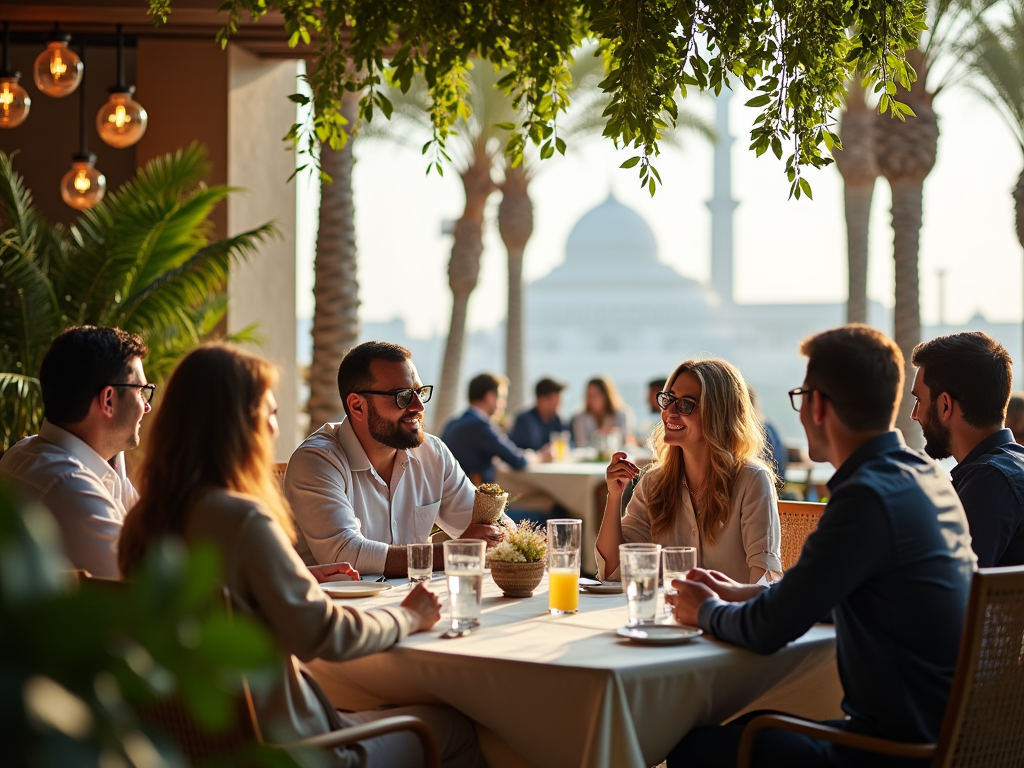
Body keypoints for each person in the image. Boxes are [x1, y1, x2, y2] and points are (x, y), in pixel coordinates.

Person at [117, 345, 483, 768]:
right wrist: (411, 616)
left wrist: (302, 576)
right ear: (239, 425)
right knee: (457, 727)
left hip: (203, 744)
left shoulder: (143, 525)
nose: (274, 430)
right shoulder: (243, 520)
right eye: (270, 414)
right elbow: (325, 635)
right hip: (297, 750)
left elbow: (228, 598)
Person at [667, 325, 976, 768]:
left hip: (895, 751)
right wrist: (743, 592)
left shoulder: (867, 497)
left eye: (801, 395)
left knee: (692, 749)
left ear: (819, 407)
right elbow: (820, 595)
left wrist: (703, 611)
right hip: (946, 735)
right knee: (749, 723)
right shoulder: (923, 477)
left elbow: (768, 631)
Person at [284, 341, 502, 577]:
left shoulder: (433, 453)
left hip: (418, 602)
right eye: (403, 396)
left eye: (420, 392)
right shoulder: (317, 461)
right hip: (343, 608)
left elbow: (490, 526)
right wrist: (458, 552)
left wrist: (498, 533)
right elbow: (347, 554)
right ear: (357, 406)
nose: (418, 406)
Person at [596, 358, 782, 584]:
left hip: (728, 617)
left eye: (686, 404)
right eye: (668, 400)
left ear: (719, 413)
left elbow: (763, 581)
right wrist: (614, 496)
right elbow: (614, 570)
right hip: (667, 616)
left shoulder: (752, 480)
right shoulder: (653, 483)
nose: (669, 412)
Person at [0, 326, 152, 578]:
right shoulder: (68, 484)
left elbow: (150, 531)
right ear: (108, 401)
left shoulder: (26, 450)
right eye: (141, 391)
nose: (147, 407)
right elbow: (153, 584)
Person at [910, 332, 1024, 566]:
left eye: (919, 401)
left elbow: (948, 587)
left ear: (944, 405)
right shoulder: (1010, 467)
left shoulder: (991, 480)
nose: (915, 414)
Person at [443, 373, 549, 484]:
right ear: (489, 397)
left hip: (451, 493)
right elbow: (517, 460)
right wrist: (540, 456)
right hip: (474, 496)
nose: (503, 404)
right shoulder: (480, 425)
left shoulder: (453, 422)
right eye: (502, 398)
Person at [571, 376, 635, 449]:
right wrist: (598, 435)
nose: (591, 399)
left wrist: (615, 433)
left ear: (606, 395)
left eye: (595, 395)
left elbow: (627, 441)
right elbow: (580, 445)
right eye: (589, 395)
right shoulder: (579, 417)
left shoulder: (622, 413)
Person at [508, 377, 569, 452]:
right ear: (541, 399)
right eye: (554, 403)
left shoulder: (558, 420)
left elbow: (568, 444)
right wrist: (539, 455)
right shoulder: (524, 420)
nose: (558, 406)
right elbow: (517, 451)